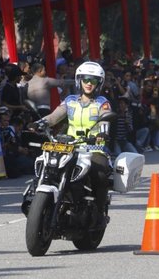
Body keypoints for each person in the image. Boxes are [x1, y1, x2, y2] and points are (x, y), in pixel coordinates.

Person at [28, 61, 113, 227]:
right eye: (86, 79)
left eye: (93, 80)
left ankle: (100, 211)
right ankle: (36, 198)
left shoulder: (102, 102)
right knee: (47, 164)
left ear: (99, 83)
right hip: (69, 146)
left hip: (93, 147)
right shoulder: (70, 101)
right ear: (79, 80)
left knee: (100, 174)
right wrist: (39, 123)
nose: (89, 83)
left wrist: (102, 133)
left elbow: (106, 117)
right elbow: (54, 116)